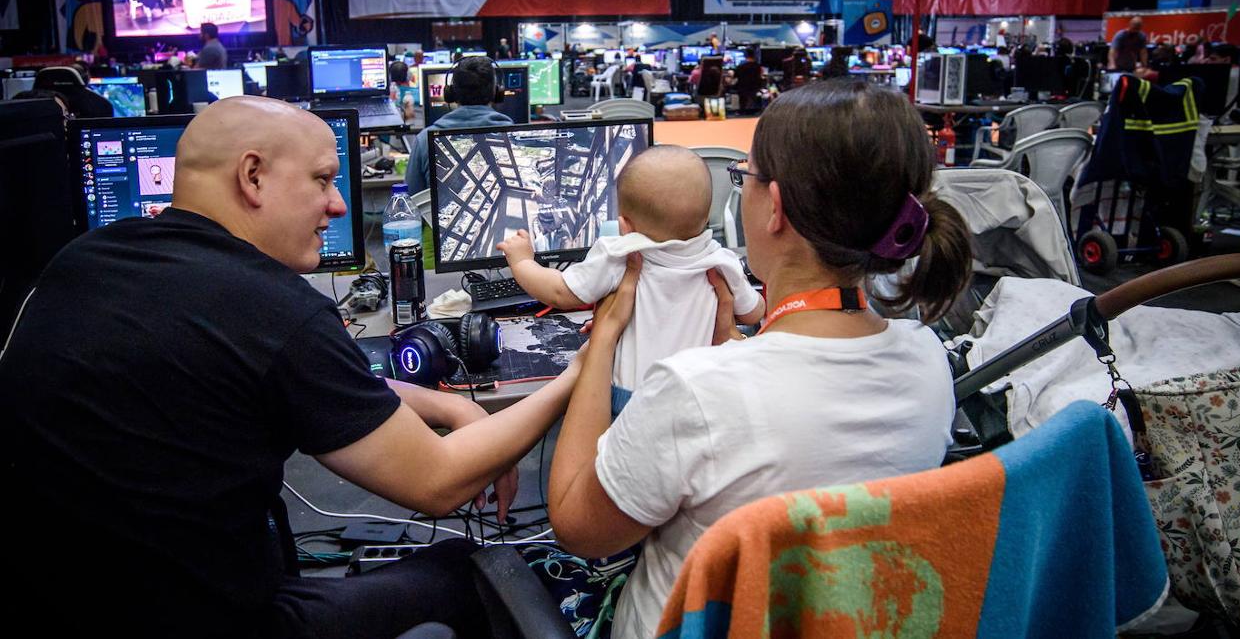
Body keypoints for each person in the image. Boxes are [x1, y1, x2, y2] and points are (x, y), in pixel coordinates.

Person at [1, 97, 579, 637]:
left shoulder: (85, 259)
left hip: (67, 598)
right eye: (323, 180)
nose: (339, 204)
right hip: (204, 618)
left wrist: (447, 402)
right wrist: (581, 370)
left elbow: (312, 383)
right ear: (252, 176)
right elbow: (438, 482)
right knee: (472, 567)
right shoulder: (272, 307)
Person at [546, 79, 972, 639]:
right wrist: (736, 347)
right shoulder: (928, 362)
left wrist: (603, 338)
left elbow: (577, 527)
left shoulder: (696, 390)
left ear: (775, 208)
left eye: (742, 176)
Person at [498, 146, 765, 415]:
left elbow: (559, 292)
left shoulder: (620, 254)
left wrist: (522, 262)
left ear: (624, 225)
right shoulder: (721, 261)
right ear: (707, 218)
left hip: (632, 399)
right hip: (697, 397)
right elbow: (754, 312)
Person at [404, 56, 512, 194]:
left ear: (451, 94)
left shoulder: (424, 139)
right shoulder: (512, 135)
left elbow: (408, 202)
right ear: (497, 92)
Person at [733, 48, 765, 112]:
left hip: (742, 88)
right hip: (755, 89)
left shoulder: (740, 67)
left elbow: (734, 77)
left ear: (745, 56)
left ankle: (742, 111)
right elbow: (761, 77)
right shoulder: (758, 66)